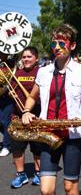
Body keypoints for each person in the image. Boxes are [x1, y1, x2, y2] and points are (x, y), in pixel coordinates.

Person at [22, 24, 81, 195]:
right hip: (48, 134)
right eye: (53, 44)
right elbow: (31, 97)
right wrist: (26, 111)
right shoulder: (43, 72)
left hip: (74, 136)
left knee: (70, 187)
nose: (57, 48)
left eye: (62, 43)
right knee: (46, 190)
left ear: (72, 45)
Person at [10, 46, 41, 188]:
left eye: (29, 56)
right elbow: (10, 88)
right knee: (17, 148)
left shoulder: (41, 72)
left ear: (36, 58)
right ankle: (21, 175)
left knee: (37, 147)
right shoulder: (17, 72)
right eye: (24, 57)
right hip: (18, 115)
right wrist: (11, 93)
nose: (26, 59)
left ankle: (38, 173)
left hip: (37, 116)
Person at [0, 52, 14, 156]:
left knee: (5, 121)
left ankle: (6, 146)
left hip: (6, 96)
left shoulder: (11, 63)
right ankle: (9, 138)